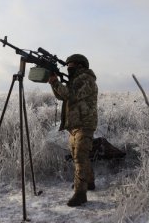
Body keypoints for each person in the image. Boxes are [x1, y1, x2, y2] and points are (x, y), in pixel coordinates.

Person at [48, 54, 98, 207]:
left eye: (71, 65)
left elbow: (71, 95)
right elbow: (62, 96)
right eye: (67, 66)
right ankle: (89, 182)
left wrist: (56, 82)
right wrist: (53, 82)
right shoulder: (75, 81)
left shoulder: (86, 80)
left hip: (85, 124)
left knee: (79, 157)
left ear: (80, 65)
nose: (69, 68)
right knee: (80, 155)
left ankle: (80, 193)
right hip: (75, 125)